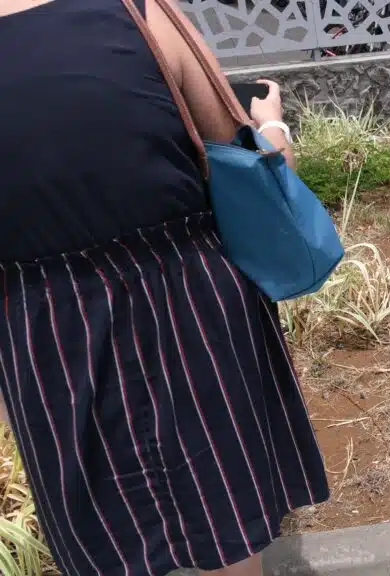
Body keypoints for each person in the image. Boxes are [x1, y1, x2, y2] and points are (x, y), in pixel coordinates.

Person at [0, 1, 329, 575]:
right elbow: (251, 164)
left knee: (109, 543)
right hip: (188, 303)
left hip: (43, 329)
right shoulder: (137, 12)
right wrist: (273, 120)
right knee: (226, 530)